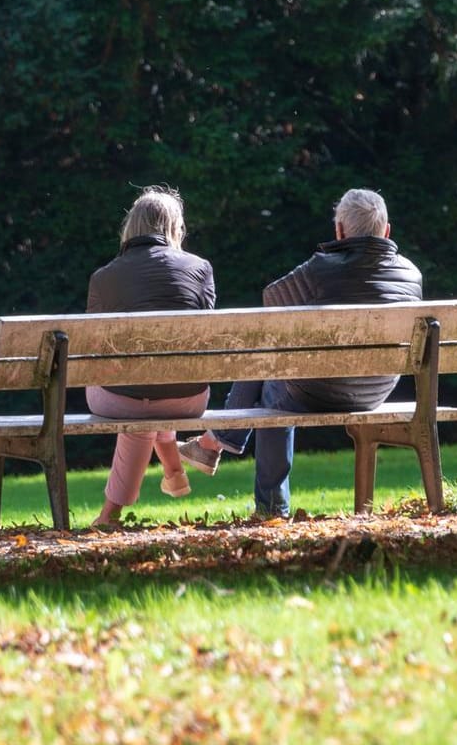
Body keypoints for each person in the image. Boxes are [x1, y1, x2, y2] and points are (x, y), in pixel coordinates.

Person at [178, 188, 422, 518]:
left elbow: (271, 300)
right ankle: (213, 442)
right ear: (387, 230)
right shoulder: (411, 274)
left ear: (339, 231)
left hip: (317, 390)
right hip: (375, 391)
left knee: (271, 383)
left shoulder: (322, 269)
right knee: (272, 363)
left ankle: (267, 503)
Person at [85, 187, 216, 529]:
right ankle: (172, 470)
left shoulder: (103, 277)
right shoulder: (200, 269)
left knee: (138, 394)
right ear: (176, 228)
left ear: (131, 228)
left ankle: (110, 514)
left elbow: (96, 350)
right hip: (188, 399)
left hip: (122, 399)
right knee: (156, 386)